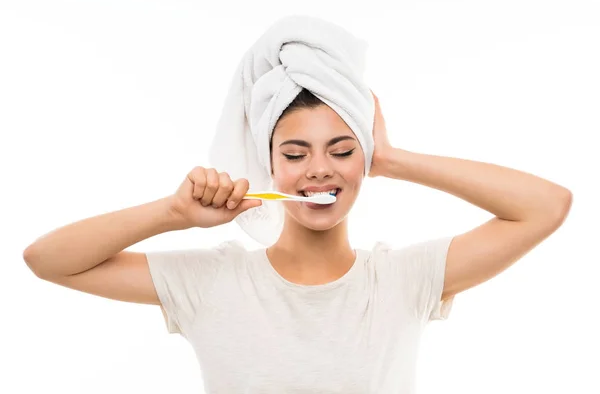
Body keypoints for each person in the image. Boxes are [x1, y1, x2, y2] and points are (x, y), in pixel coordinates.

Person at [23, 88, 572, 393]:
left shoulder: (405, 279)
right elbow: (47, 260)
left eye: (341, 151)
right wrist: (173, 212)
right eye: (294, 154)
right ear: (268, 167)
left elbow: (545, 207)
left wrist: (393, 159)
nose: (318, 171)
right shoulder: (212, 281)